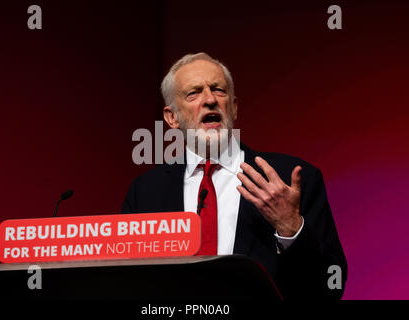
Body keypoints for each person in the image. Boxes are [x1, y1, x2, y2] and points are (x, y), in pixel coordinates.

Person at [122, 52, 347, 299]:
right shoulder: (146, 191)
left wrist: (290, 228)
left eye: (218, 90)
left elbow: (330, 287)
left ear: (234, 107)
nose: (209, 100)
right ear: (172, 117)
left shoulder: (289, 180)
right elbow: (129, 284)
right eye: (193, 93)